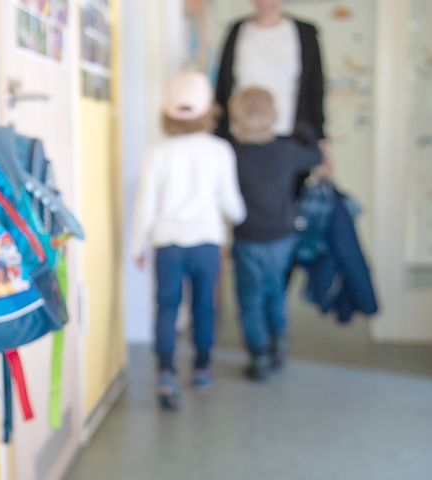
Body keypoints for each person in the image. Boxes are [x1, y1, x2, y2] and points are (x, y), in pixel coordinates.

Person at [131, 71, 247, 410]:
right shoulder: (220, 151)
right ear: (209, 111)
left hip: (167, 243)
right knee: (204, 309)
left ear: (166, 112)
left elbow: (145, 205)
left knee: (166, 308)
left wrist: (138, 246)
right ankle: (201, 369)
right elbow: (232, 205)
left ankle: (166, 372)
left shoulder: (156, 153)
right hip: (208, 243)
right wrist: (240, 217)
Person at [229, 87, 321, 380]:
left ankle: (259, 355)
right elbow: (315, 157)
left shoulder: (234, 155)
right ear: (274, 115)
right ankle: (279, 343)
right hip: (282, 236)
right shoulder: (287, 151)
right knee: (276, 293)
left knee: (249, 296)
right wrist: (305, 132)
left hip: (247, 238)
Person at [214, 0, 327, 151]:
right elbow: (222, 86)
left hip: (291, 137)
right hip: (241, 137)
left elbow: (316, 88)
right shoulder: (237, 30)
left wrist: (320, 138)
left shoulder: (305, 32)